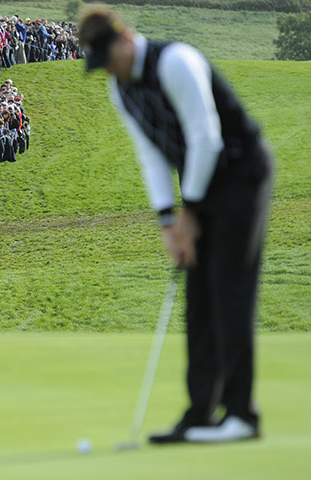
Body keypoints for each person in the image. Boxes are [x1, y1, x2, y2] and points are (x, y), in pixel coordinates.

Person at [79, 6, 273, 444]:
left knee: (229, 287)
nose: (109, 69)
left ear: (125, 39)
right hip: (201, 185)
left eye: (110, 58)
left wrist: (190, 211)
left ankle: (242, 414)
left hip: (242, 175)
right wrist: (168, 221)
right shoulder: (120, 88)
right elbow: (151, 154)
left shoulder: (176, 61)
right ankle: (201, 412)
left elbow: (206, 137)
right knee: (199, 295)